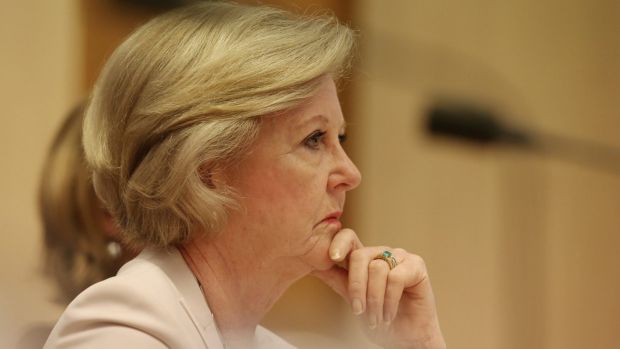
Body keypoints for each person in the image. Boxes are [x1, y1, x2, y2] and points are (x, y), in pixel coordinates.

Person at [44, 2, 445, 348]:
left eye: (340, 137)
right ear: (207, 169)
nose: (350, 174)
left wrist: (417, 342)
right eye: (314, 139)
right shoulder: (120, 332)